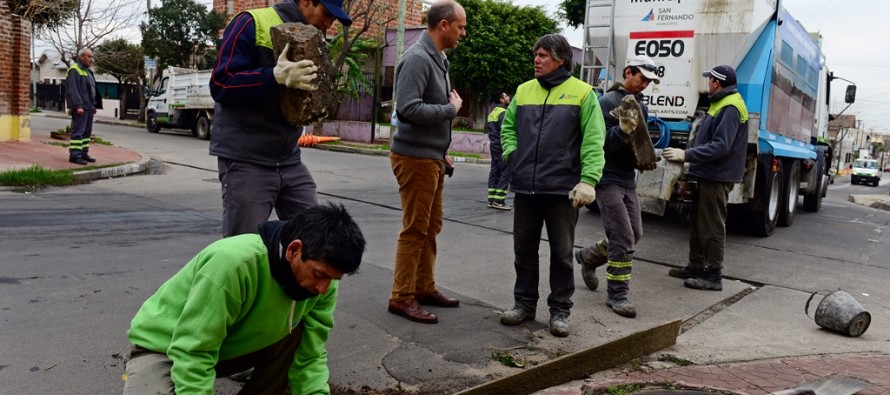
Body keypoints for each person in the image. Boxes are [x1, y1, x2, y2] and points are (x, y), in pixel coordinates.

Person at [123, 203, 366, 395]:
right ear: (294, 250)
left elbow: (310, 355)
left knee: (300, 334)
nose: (323, 288)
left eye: (333, 279)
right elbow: (193, 351)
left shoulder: (323, 284)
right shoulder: (234, 265)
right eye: (319, 275)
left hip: (229, 348)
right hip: (164, 348)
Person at [209, 0, 353, 237]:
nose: (329, 23)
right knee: (243, 247)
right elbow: (221, 83)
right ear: (306, 2)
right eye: (326, 14)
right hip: (246, 159)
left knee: (315, 238)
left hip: (288, 159)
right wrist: (272, 77)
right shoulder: (251, 23)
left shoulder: (312, 37)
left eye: (334, 18)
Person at [499, 34, 606, 337]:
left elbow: (594, 141)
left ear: (560, 59)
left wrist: (588, 180)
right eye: (536, 54)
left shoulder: (583, 94)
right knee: (524, 250)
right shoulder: (523, 90)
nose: (537, 60)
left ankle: (560, 310)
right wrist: (512, 154)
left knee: (561, 253)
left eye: (543, 55)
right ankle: (524, 304)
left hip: (562, 190)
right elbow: (508, 128)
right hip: (526, 187)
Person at [387, 0, 466, 324]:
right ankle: (401, 297)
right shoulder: (418, 59)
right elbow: (408, 109)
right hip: (414, 158)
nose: (463, 32)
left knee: (430, 227)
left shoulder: (439, 59)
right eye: (460, 26)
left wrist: (440, 150)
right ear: (443, 25)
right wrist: (451, 110)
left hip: (429, 156)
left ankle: (423, 287)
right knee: (415, 229)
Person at [574, 55, 660, 318]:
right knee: (622, 236)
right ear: (628, 72)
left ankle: (588, 257)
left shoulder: (640, 107)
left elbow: (641, 143)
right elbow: (600, 144)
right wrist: (622, 129)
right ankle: (618, 295)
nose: (644, 85)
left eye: (649, 81)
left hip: (627, 179)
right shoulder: (606, 103)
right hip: (607, 178)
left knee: (634, 233)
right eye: (642, 78)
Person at [663, 65, 749, 291]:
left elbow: (721, 146)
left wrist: (686, 155)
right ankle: (696, 265)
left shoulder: (730, 107)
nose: (708, 83)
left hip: (717, 175)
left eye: (710, 79)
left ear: (717, 82)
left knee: (711, 224)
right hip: (708, 172)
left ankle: (713, 275)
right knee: (697, 220)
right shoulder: (720, 101)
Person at [66, 48, 102, 166]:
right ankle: (75, 156)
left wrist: (94, 105)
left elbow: (92, 90)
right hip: (81, 107)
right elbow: (73, 90)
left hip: (89, 106)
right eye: (89, 56)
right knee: (78, 132)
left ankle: (83, 153)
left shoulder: (88, 71)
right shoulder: (74, 70)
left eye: (92, 57)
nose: (91, 59)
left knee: (87, 132)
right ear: (81, 57)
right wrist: (78, 106)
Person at [486, 90, 512, 210]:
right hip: (501, 146)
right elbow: (505, 131)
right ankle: (499, 201)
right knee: (506, 172)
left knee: (495, 172)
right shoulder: (503, 113)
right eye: (506, 96)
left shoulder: (492, 113)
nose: (508, 97)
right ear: (502, 100)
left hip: (493, 145)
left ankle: (491, 199)